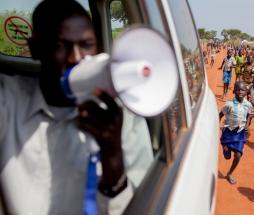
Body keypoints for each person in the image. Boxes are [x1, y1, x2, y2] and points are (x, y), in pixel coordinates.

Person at [0, 0, 153, 214]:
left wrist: (113, 160)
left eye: (86, 45)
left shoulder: (120, 117)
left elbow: (143, 205)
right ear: (35, 49)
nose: (76, 58)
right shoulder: (9, 99)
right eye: (60, 46)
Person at [219, 81, 252, 184]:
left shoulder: (248, 105)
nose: (240, 92)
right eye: (238, 89)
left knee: (238, 155)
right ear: (234, 91)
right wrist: (217, 125)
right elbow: (220, 114)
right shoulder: (229, 104)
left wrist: (247, 126)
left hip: (240, 133)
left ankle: (229, 173)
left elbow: (248, 116)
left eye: (242, 90)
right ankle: (225, 146)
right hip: (229, 131)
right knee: (227, 156)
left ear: (246, 92)